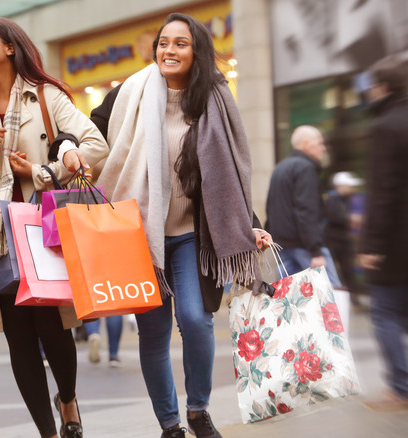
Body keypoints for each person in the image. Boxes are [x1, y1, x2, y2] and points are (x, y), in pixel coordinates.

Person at [90, 13, 272, 438]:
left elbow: (230, 176)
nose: (168, 51)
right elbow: (90, 135)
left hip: (193, 235)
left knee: (195, 317)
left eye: (180, 44)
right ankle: (169, 424)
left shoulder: (215, 99)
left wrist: (252, 226)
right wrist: (65, 150)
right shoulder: (128, 93)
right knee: (152, 331)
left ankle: (198, 410)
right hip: (138, 235)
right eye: (163, 42)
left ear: (197, 52)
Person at [0, 17, 109, 438]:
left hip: (43, 228)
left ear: (10, 47)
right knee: (18, 338)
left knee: (53, 329)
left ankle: (67, 401)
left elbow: (95, 146)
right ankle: (48, 432)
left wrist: (43, 172)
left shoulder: (45, 95)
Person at [359, 55, 408, 412]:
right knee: (407, 310)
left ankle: (402, 389)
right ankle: (403, 386)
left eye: (372, 86)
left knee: (385, 311)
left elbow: (384, 191)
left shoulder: (386, 126)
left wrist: (372, 244)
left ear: (382, 87)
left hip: (398, 240)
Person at [265, 125, 343, 288]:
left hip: (283, 247)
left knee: (291, 300)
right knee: (331, 295)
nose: (323, 148)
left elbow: (270, 207)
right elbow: (306, 210)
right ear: (307, 144)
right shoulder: (305, 168)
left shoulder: (281, 167)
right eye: (320, 143)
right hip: (304, 246)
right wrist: (315, 251)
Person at [324, 171, 365, 301]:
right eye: (349, 186)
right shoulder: (331, 199)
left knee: (347, 271)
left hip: (343, 241)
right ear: (340, 186)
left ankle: (353, 300)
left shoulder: (345, 200)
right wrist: (350, 219)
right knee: (334, 273)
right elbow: (334, 217)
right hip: (333, 241)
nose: (352, 189)